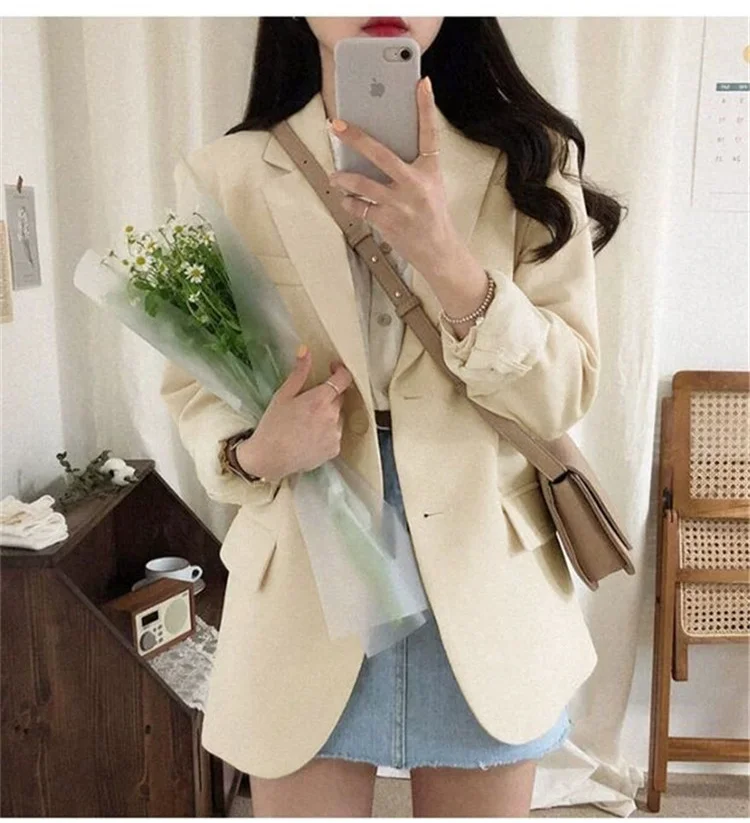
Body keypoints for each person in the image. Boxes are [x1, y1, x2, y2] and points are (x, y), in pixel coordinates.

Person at [161, 16, 625, 817]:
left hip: (485, 575)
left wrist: (448, 258)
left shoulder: (531, 159)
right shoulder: (225, 174)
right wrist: (254, 452)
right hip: (309, 571)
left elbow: (565, 389)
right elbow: (193, 386)